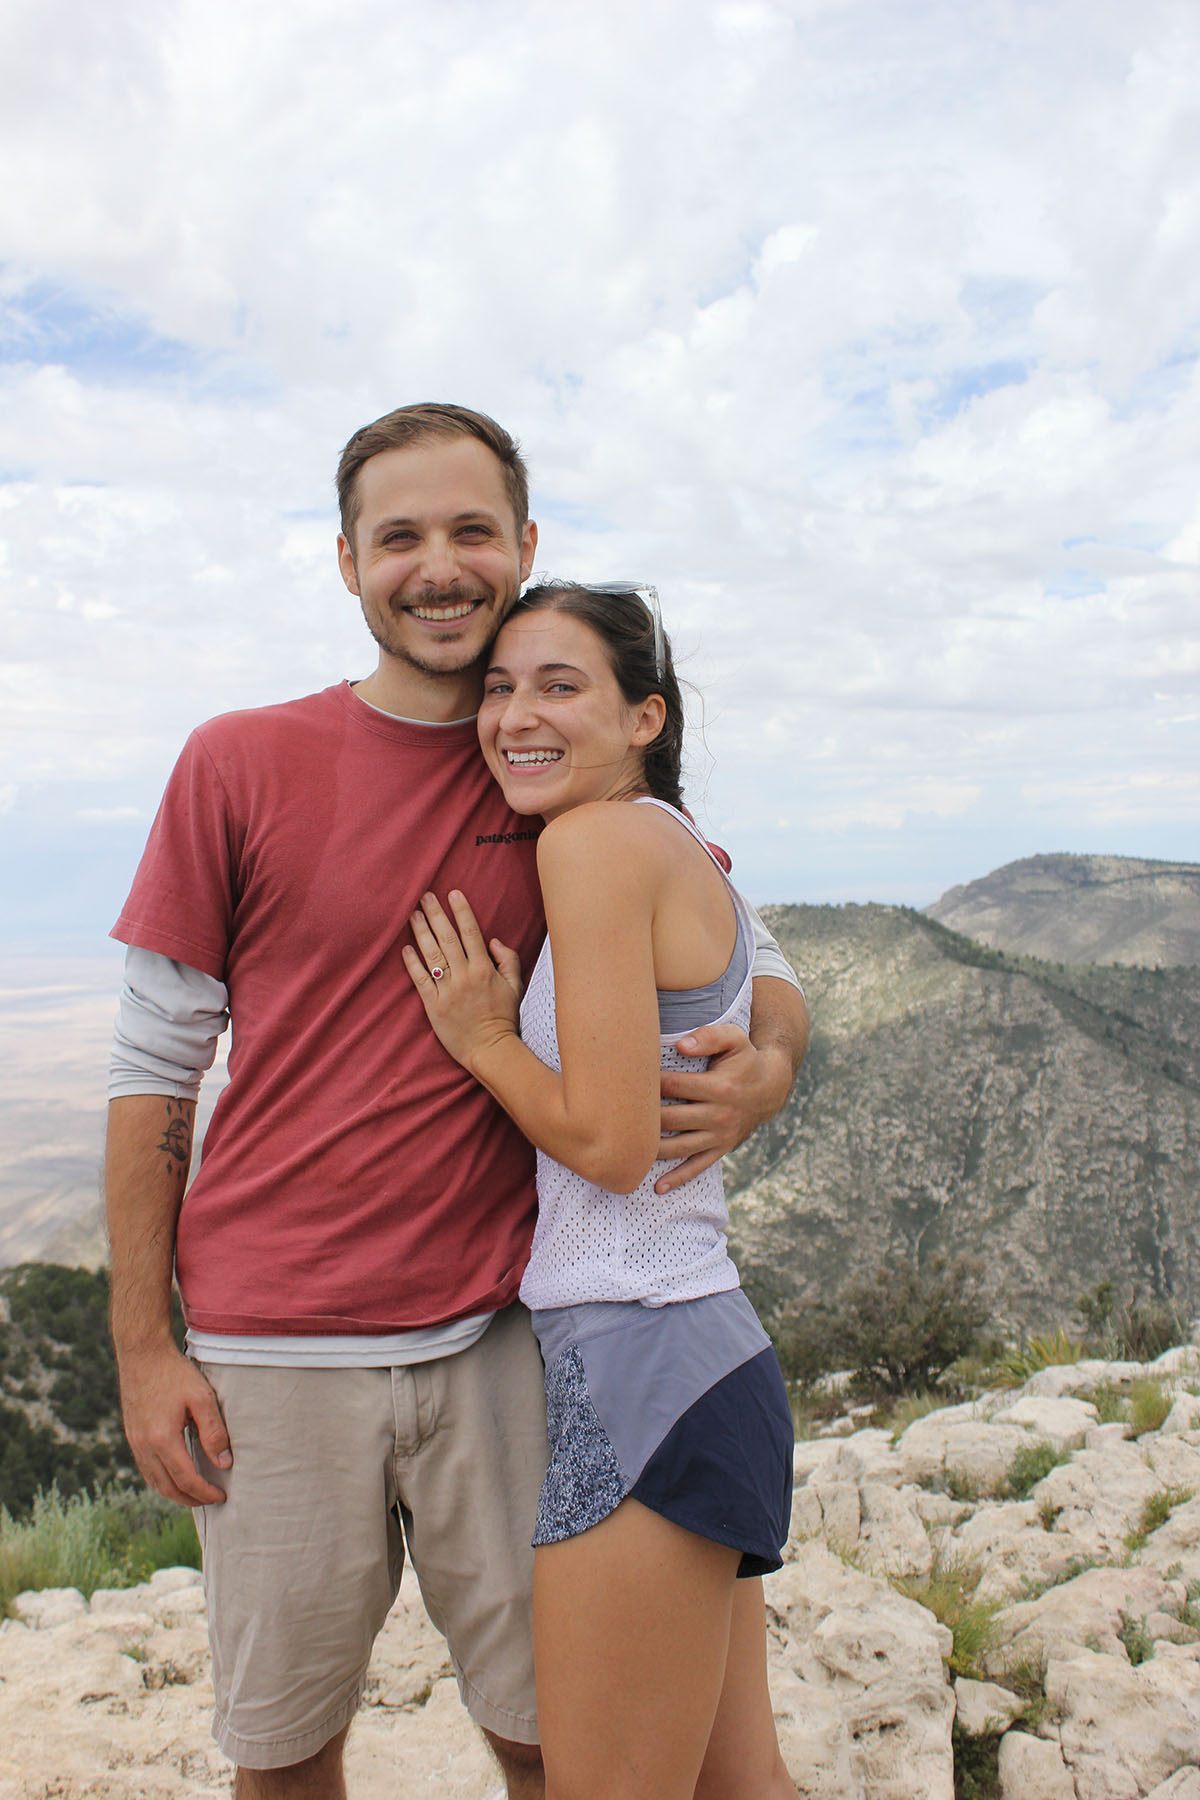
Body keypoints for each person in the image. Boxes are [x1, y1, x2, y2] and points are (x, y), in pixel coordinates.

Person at [105, 403, 809, 1800]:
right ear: (349, 562)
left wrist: (772, 1060)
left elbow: (744, 942)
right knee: (288, 1752)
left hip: (508, 1345)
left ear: (523, 543)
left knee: (555, 1741)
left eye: (472, 530)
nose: (439, 565)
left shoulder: (558, 774)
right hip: (275, 1348)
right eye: (401, 536)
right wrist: (143, 1344)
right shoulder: (241, 761)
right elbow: (153, 1064)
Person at [404, 581, 798, 1800]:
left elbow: (614, 1145)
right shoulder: (674, 842)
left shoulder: (589, 842)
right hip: (701, 1359)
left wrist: (483, 1040)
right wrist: (777, 1056)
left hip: (639, 1365)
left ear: (645, 717)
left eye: (559, 685)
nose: (517, 713)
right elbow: (767, 981)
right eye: (502, 686)